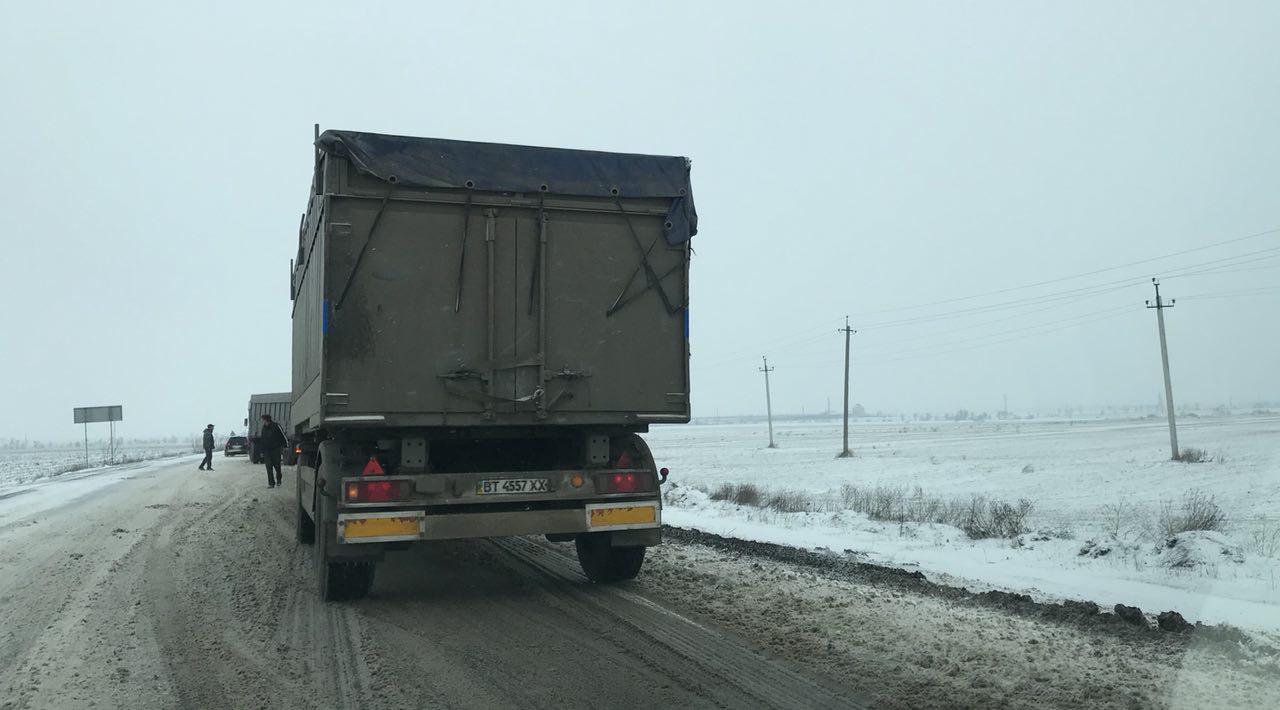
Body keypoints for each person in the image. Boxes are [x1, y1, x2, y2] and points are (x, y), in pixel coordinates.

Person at [258, 413, 288, 488]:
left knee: (277, 466)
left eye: (263, 420)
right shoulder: (264, 428)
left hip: (275, 449)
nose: (262, 421)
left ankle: (279, 480)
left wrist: (285, 445)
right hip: (267, 451)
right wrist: (262, 451)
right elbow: (262, 439)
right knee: (268, 466)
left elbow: (282, 435)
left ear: (267, 419)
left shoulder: (276, 426)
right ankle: (271, 483)